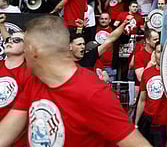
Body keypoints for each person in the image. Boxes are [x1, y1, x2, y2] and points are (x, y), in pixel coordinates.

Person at [0, 15, 151, 146]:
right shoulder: (36, 82)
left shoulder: (93, 93)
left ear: (33, 51)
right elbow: (6, 133)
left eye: (24, 48)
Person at [0, 14, 30, 146]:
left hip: (15, 139)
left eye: (17, 40)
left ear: (26, 48)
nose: (10, 41)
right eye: (9, 39)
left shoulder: (30, 73)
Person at [136, 42, 167, 147]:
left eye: (164, 51)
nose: (161, 54)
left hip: (164, 122)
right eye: (159, 51)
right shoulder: (147, 72)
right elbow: (142, 100)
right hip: (147, 119)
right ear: (154, 53)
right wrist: (136, 123)